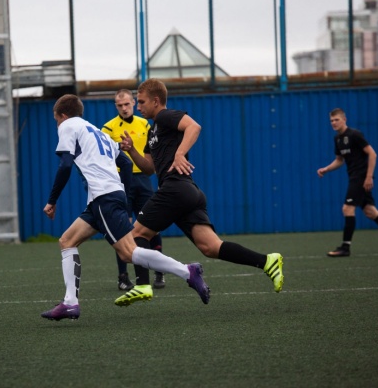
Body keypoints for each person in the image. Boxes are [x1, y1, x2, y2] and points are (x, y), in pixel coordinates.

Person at [40, 94, 211, 321]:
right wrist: (123, 194)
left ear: (62, 115)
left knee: (128, 253)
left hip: (104, 197)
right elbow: (125, 163)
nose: (57, 124)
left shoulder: (68, 125)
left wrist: (52, 200)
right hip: (104, 197)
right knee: (67, 241)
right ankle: (70, 303)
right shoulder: (96, 131)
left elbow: (65, 165)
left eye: (56, 120)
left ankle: (187, 271)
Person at [117, 78, 284, 305]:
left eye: (142, 102)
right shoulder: (153, 129)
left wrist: (180, 154)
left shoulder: (165, 116)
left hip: (175, 188)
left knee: (136, 234)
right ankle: (267, 261)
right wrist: (131, 151)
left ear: (156, 101)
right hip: (187, 192)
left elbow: (194, 127)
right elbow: (149, 168)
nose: (138, 107)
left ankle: (143, 285)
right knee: (211, 247)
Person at [317, 108, 378, 257]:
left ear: (344, 120)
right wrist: (326, 169)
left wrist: (369, 177)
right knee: (370, 211)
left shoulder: (355, 135)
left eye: (336, 120)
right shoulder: (337, 139)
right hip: (354, 177)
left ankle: (345, 247)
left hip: (361, 177)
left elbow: (372, 154)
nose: (333, 123)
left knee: (347, 209)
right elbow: (339, 160)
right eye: (331, 120)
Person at [102, 89, 165, 291]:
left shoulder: (145, 124)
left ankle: (159, 272)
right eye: (120, 105)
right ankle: (123, 276)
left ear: (133, 103)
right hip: (121, 181)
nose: (124, 108)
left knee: (152, 224)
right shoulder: (108, 128)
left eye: (127, 104)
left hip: (143, 180)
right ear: (116, 106)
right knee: (122, 227)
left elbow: (154, 151)